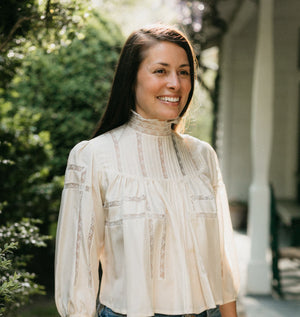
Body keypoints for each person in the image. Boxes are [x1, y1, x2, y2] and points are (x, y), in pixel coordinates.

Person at [55, 25, 240, 317]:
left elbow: (222, 262)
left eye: (183, 72)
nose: (175, 84)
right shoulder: (93, 157)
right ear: (131, 80)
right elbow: (78, 270)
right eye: (160, 71)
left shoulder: (202, 156)